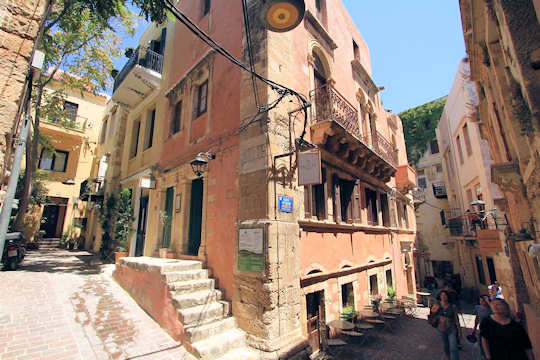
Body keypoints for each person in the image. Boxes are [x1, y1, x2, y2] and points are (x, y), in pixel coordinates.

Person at [429, 290, 461, 360]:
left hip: (451, 329)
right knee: (445, 345)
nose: (443, 297)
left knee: (453, 347)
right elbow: (432, 313)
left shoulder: (452, 306)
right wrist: (434, 309)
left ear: (447, 297)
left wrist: (459, 331)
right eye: (442, 296)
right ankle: (447, 357)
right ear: (440, 297)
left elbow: (456, 320)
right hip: (442, 329)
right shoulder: (438, 305)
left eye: (445, 296)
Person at [471, 295, 492, 359]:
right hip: (482, 329)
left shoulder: (491, 309)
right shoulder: (478, 308)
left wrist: (489, 303)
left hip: (491, 330)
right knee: (482, 345)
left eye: (483, 300)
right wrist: (474, 329)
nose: (481, 302)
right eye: (480, 300)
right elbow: (477, 318)